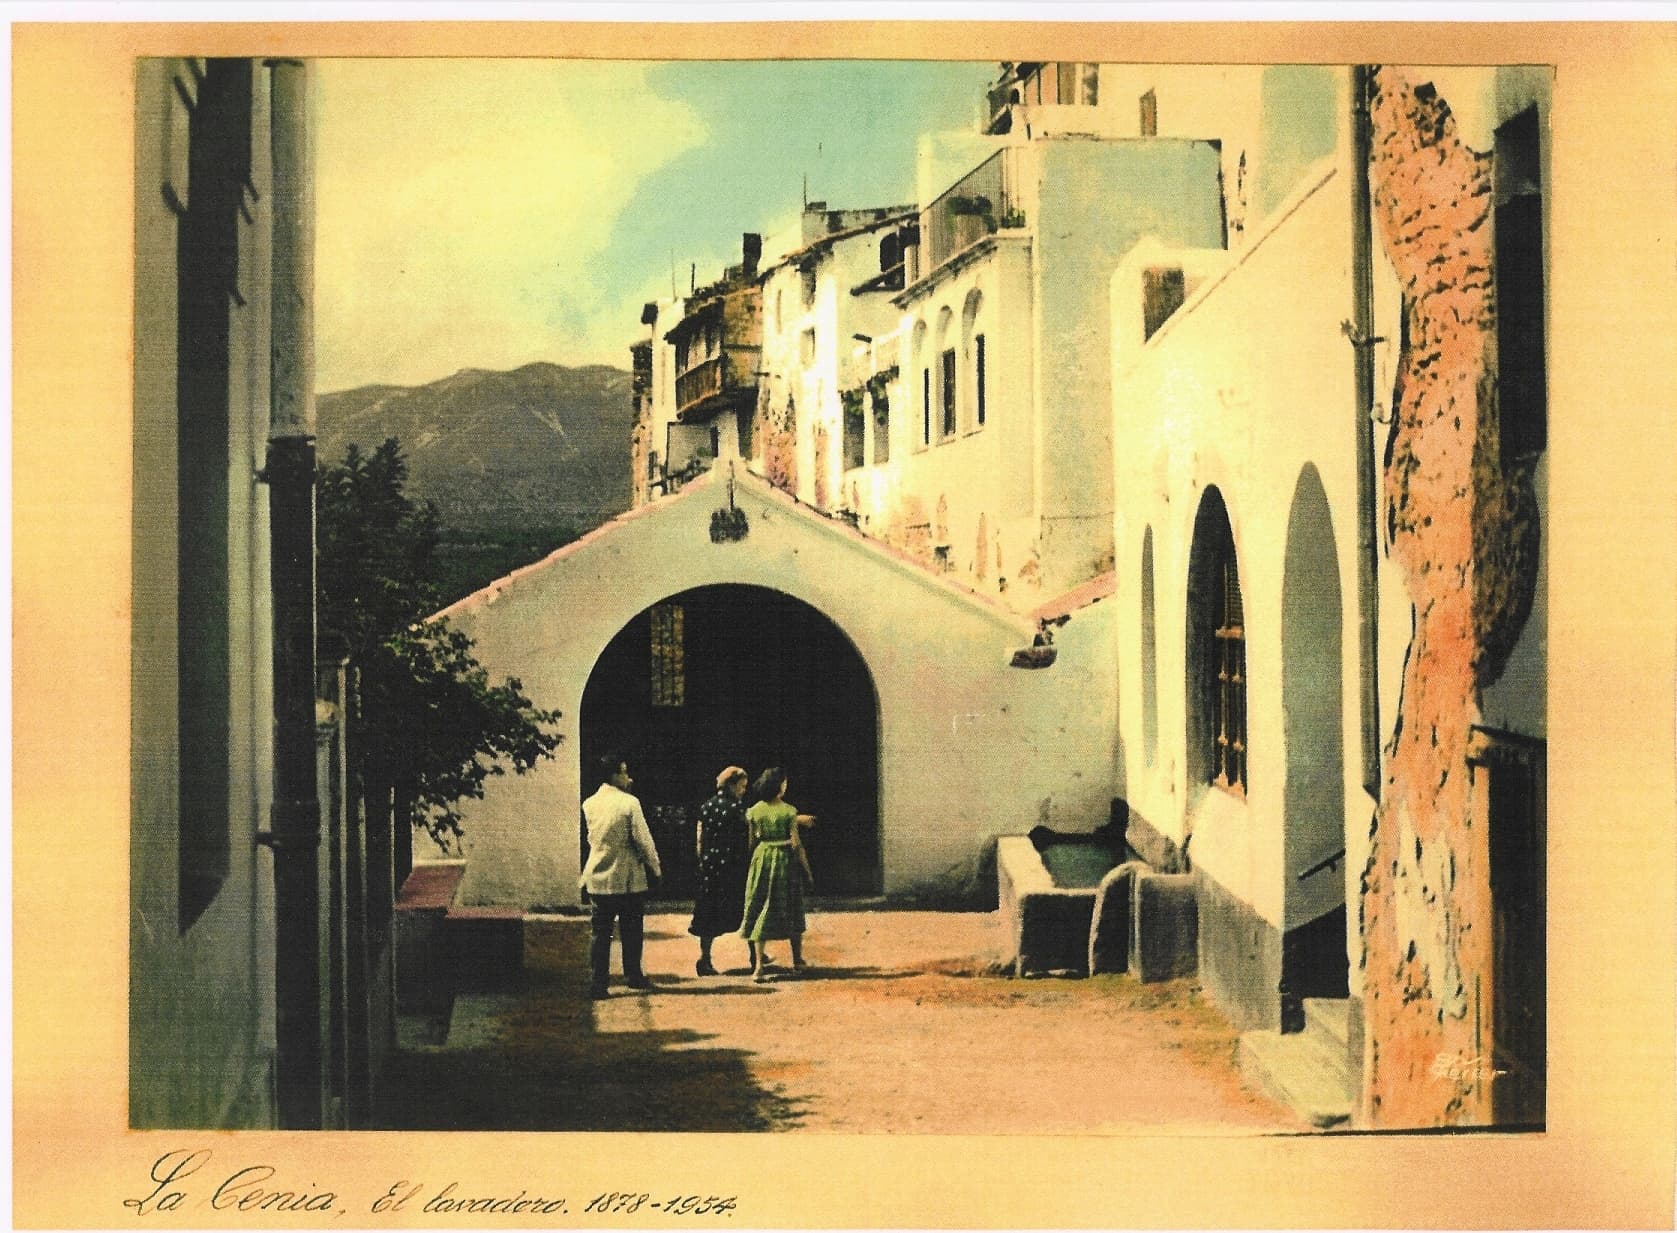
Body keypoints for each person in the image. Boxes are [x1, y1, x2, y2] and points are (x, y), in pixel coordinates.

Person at [579, 752, 662, 1000]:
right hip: (627, 876)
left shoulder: (589, 803)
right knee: (632, 929)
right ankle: (633, 975)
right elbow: (643, 840)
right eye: (624, 772)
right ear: (614, 775)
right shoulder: (630, 803)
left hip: (598, 875)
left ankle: (598, 982)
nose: (628, 777)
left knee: (600, 932)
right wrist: (655, 867)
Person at [738, 766, 815, 983]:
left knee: (760, 905)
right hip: (784, 859)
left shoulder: (754, 811)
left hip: (762, 858)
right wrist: (807, 871)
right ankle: (797, 960)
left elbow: (751, 842)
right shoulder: (789, 811)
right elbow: (796, 844)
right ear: (780, 786)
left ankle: (759, 967)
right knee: (792, 906)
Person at [689, 765, 752, 976]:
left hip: (711, 867)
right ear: (732, 786)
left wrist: (702, 860)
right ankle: (755, 956)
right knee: (746, 910)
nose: (744, 790)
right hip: (734, 866)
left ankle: (705, 958)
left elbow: (700, 837)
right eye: (742, 786)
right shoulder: (738, 808)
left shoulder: (706, 806)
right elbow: (747, 837)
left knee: (708, 912)